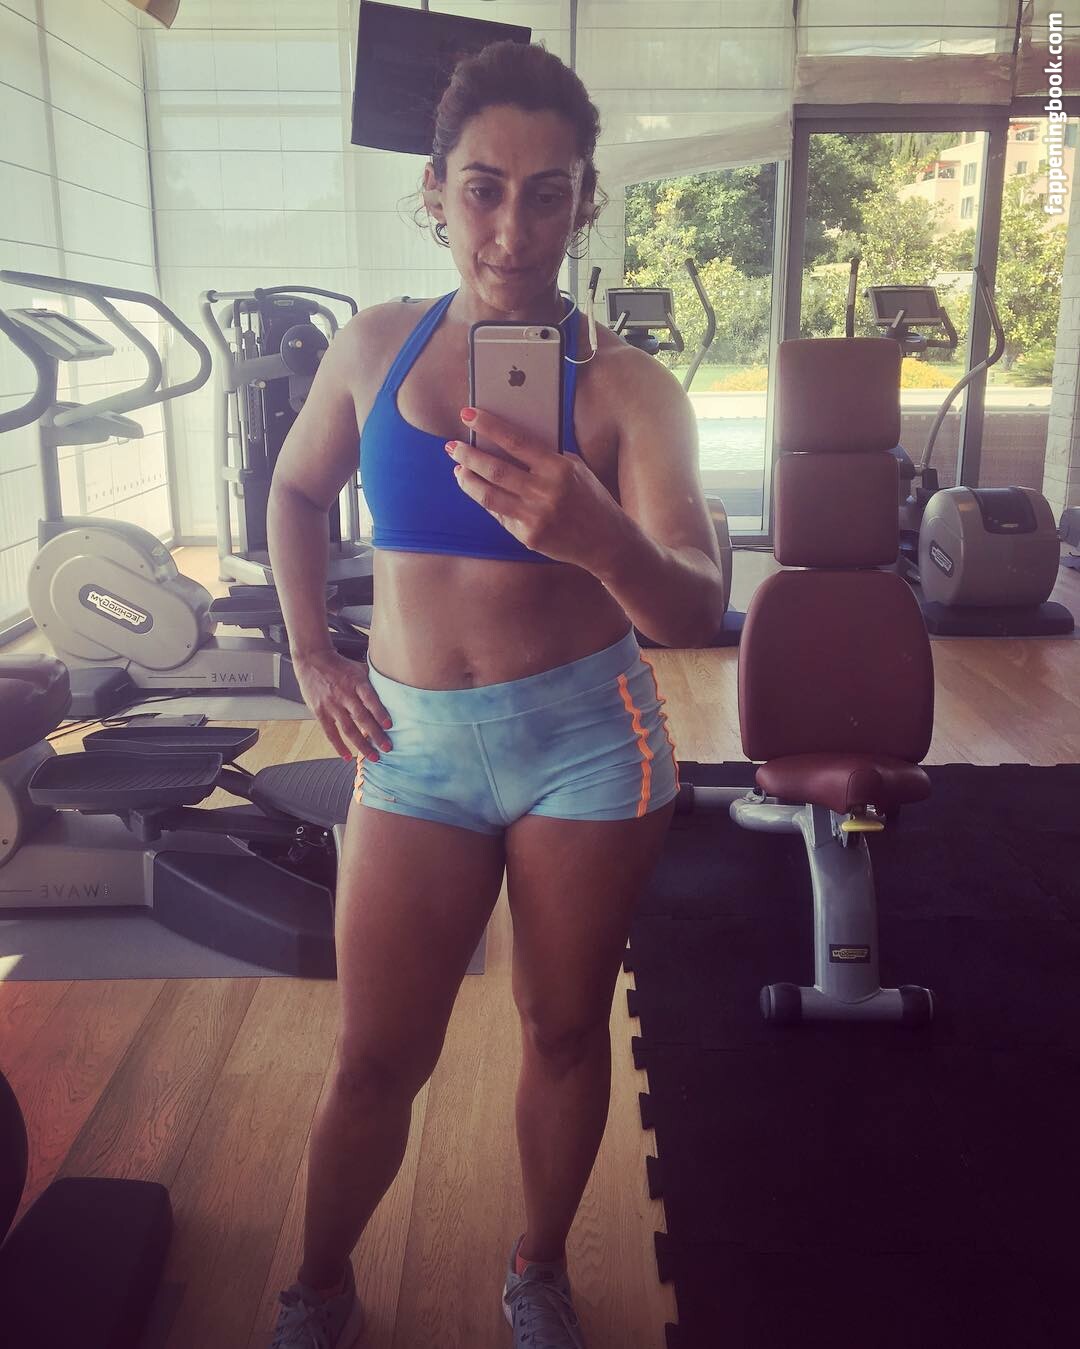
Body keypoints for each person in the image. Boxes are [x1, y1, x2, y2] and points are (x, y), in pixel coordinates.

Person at [264, 39, 726, 1349]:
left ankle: (537, 1267)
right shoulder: (370, 348)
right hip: (413, 746)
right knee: (374, 1058)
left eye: (547, 193)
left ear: (585, 201)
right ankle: (318, 1285)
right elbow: (294, 491)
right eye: (482, 189)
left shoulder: (632, 389)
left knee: (566, 1032)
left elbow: (694, 609)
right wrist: (314, 654)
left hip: (588, 741)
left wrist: (601, 539)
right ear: (434, 193)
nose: (512, 231)